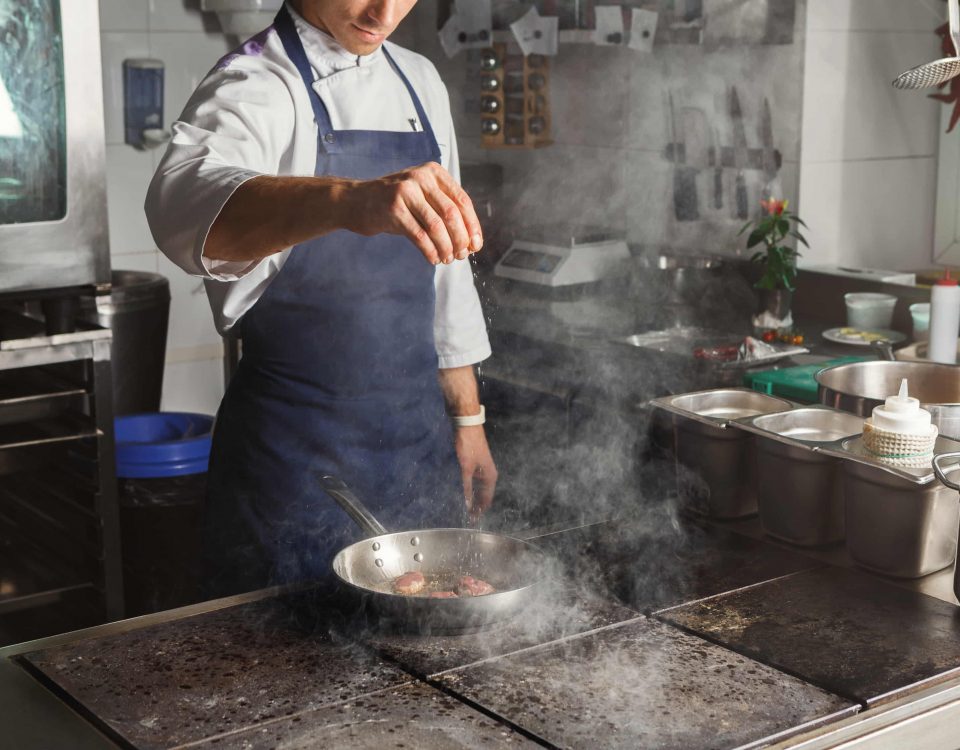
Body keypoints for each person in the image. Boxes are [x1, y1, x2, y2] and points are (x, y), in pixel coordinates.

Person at [145, 0, 497, 596]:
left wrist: (468, 419)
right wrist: (345, 200)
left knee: (424, 664)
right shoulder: (255, 80)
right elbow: (183, 210)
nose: (384, 11)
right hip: (295, 463)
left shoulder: (421, 81)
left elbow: (447, 270)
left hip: (416, 447)